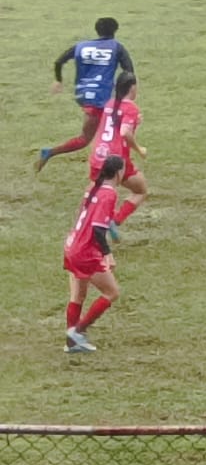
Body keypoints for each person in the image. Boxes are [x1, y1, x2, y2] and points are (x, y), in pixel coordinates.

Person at [35, 18, 134, 173]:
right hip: (100, 98)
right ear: (115, 30)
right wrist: (124, 91)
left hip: (84, 95)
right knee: (87, 139)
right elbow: (129, 71)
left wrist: (58, 80)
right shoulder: (117, 47)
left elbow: (59, 61)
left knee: (112, 129)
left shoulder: (81, 46)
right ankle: (51, 152)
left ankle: (115, 164)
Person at [61, 154, 125, 353]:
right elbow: (97, 229)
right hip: (85, 252)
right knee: (112, 292)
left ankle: (72, 344)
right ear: (118, 172)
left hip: (72, 245)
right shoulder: (109, 194)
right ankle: (77, 332)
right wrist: (107, 254)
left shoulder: (93, 188)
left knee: (78, 295)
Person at [90, 72, 149, 230]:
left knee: (96, 191)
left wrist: (135, 122)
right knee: (140, 190)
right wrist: (139, 149)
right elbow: (124, 132)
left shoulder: (109, 103)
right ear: (132, 87)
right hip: (116, 158)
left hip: (98, 154)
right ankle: (113, 221)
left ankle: (87, 221)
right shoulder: (131, 108)